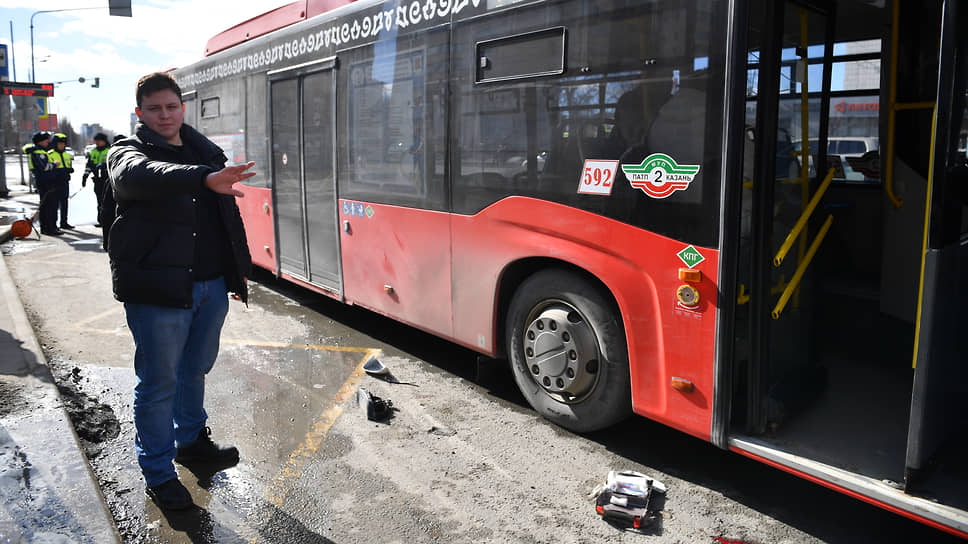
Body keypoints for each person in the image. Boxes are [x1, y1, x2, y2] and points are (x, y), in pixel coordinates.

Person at [105, 72, 256, 510]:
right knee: (158, 382)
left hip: (209, 285)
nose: (165, 115)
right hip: (158, 290)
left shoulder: (205, 149)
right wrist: (202, 179)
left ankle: (191, 441)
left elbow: (225, 220)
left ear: (182, 107)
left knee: (195, 369)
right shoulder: (127, 152)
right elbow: (138, 177)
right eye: (154, 109)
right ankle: (158, 472)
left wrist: (235, 274)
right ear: (140, 113)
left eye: (171, 106)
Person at [23, 131, 62, 235]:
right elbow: (43, 167)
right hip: (45, 182)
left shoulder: (41, 151)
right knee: (48, 206)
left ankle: (50, 227)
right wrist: (54, 165)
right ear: (40, 141)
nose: (48, 142)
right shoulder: (38, 153)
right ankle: (48, 228)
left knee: (49, 205)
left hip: (47, 181)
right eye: (46, 140)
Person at [47, 132, 75, 229]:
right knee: (54, 204)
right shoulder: (50, 154)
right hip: (54, 183)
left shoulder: (67, 155)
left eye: (63, 144)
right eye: (60, 143)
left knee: (65, 203)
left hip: (65, 182)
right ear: (55, 144)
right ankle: (53, 224)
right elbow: (48, 169)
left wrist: (69, 170)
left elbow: (69, 166)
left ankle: (64, 222)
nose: (62, 145)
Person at [83, 133, 111, 227]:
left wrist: (105, 168)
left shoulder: (109, 151)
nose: (97, 143)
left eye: (99, 141)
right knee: (99, 201)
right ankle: (101, 220)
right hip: (97, 180)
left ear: (104, 141)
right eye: (96, 141)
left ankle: (109, 220)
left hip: (107, 180)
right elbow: (89, 165)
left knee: (108, 201)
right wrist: (85, 176)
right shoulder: (93, 152)